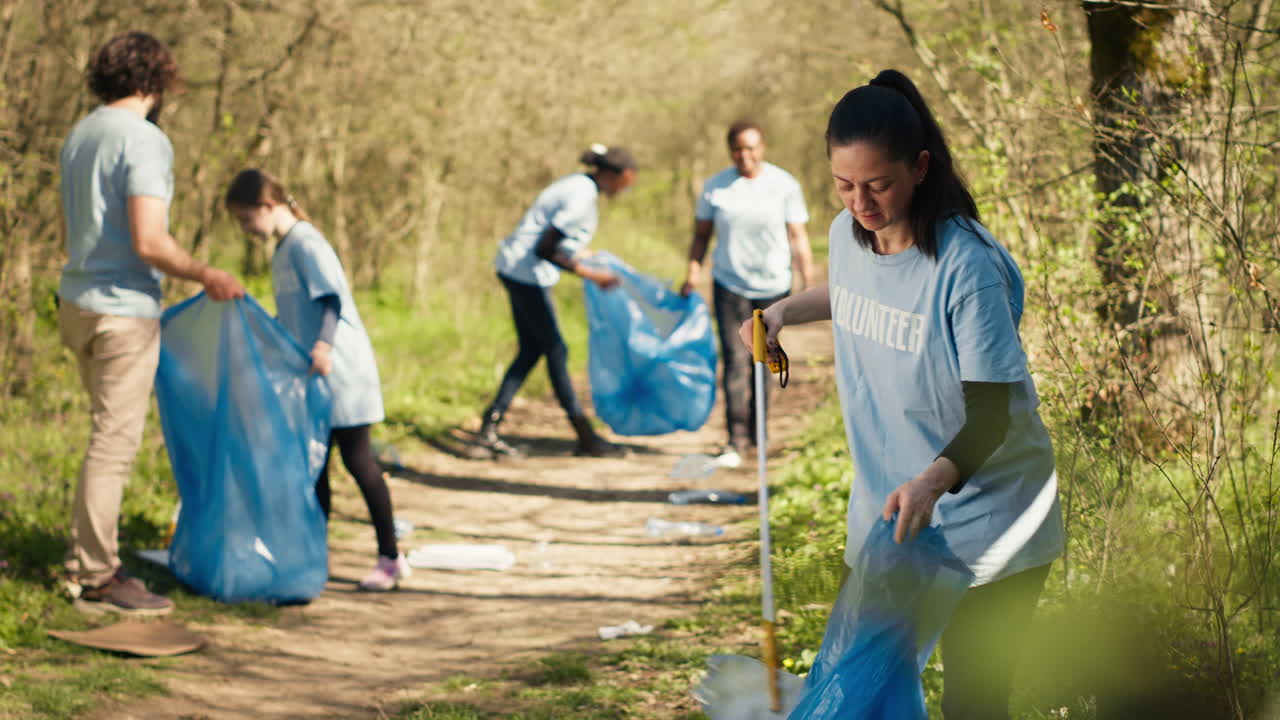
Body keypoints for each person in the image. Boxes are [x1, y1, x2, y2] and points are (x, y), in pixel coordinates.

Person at [742, 70, 1064, 719]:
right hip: (892, 518)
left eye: (878, 185)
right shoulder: (846, 233)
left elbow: (993, 417)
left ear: (919, 168)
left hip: (989, 521)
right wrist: (782, 311)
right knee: (871, 690)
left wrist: (930, 484)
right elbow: (859, 290)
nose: (860, 201)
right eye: (844, 185)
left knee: (974, 704)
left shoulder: (966, 268)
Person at [58, 31, 246, 615]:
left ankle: (88, 560)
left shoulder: (80, 134)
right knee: (113, 446)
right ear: (156, 79)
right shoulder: (143, 139)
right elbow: (149, 239)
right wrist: (204, 272)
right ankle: (96, 576)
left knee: (101, 439)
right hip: (123, 311)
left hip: (76, 302)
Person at [225, 169, 408, 591]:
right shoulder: (283, 250)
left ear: (268, 207)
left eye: (246, 219)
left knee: (358, 461)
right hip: (312, 376)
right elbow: (295, 313)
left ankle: (391, 559)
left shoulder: (307, 242)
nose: (246, 229)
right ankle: (313, 559)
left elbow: (330, 299)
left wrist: (323, 347)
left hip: (341, 371)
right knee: (315, 467)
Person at [478, 144, 637, 458]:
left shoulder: (578, 185)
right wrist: (592, 274)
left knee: (532, 349)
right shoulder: (581, 197)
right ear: (616, 175)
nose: (629, 188)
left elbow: (553, 242)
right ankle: (585, 435)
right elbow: (544, 248)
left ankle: (489, 424)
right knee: (555, 349)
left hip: (515, 268)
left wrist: (580, 256)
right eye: (629, 180)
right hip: (526, 273)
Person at [681, 121, 814, 457]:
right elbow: (701, 236)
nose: (745, 155)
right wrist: (692, 272)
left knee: (763, 357)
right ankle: (735, 436)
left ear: (763, 148)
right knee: (735, 359)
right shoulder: (717, 188)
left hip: (773, 284)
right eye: (738, 149)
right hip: (730, 284)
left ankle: (760, 433)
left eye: (751, 148)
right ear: (730, 151)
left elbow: (797, 236)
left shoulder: (784, 185)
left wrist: (807, 280)